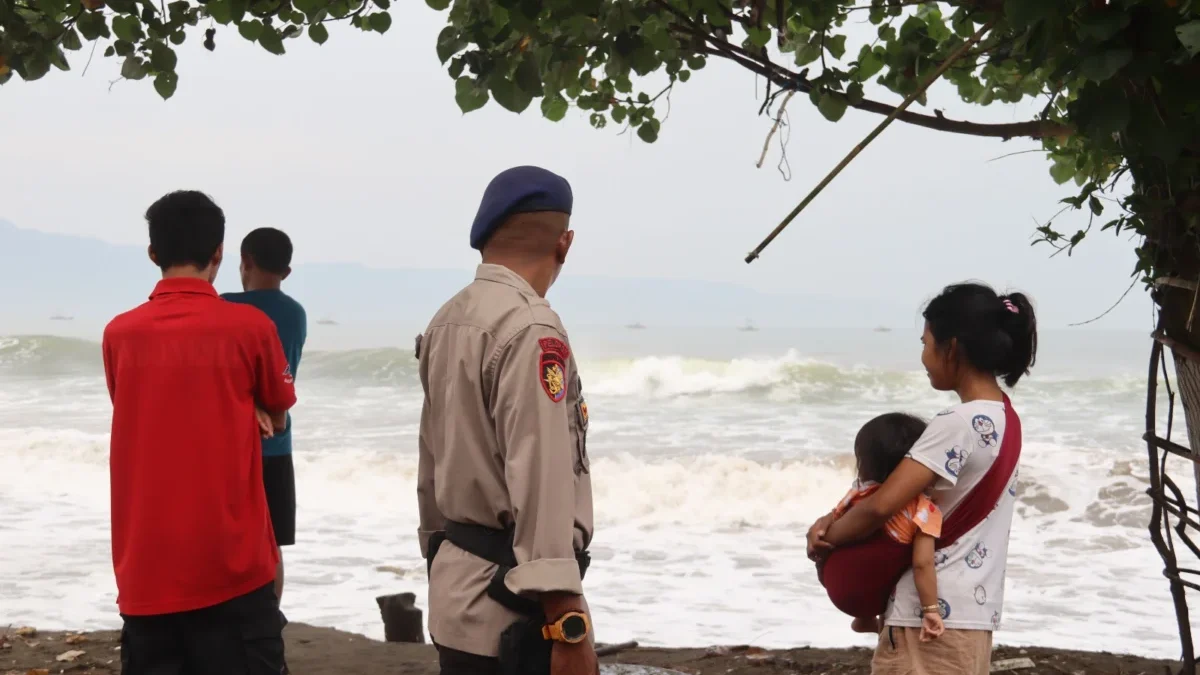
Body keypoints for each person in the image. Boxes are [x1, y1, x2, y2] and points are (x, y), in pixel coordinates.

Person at [102, 191, 297, 675]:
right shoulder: (251, 326)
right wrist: (251, 403)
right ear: (219, 253)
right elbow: (280, 414)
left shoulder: (119, 334)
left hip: (145, 570)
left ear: (153, 254)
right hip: (231, 566)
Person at [416, 166, 598, 675]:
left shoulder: (448, 318)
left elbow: (431, 457)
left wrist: (437, 559)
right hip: (513, 614)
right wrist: (568, 622)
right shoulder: (533, 327)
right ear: (565, 243)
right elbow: (539, 476)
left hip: (459, 594)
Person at [807, 282, 1037, 675]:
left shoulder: (955, 423)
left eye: (926, 343)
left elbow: (882, 505)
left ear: (953, 348)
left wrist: (825, 539)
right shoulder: (1006, 419)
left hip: (924, 614)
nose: (924, 357)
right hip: (974, 610)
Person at [222, 227, 308, 604]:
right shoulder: (295, 313)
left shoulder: (226, 306)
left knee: (226, 536)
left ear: (245, 261)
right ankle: (270, 615)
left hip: (230, 442)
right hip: (277, 443)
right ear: (286, 272)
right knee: (271, 542)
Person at [821, 413, 945, 642]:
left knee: (867, 551)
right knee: (893, 559)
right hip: (870, 592)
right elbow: (922, 563)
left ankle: (863, 619)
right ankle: (869, 614)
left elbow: (835, 518)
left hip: (832, 580)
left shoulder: (858, 494)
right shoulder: (922, 510)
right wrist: (930, 609)